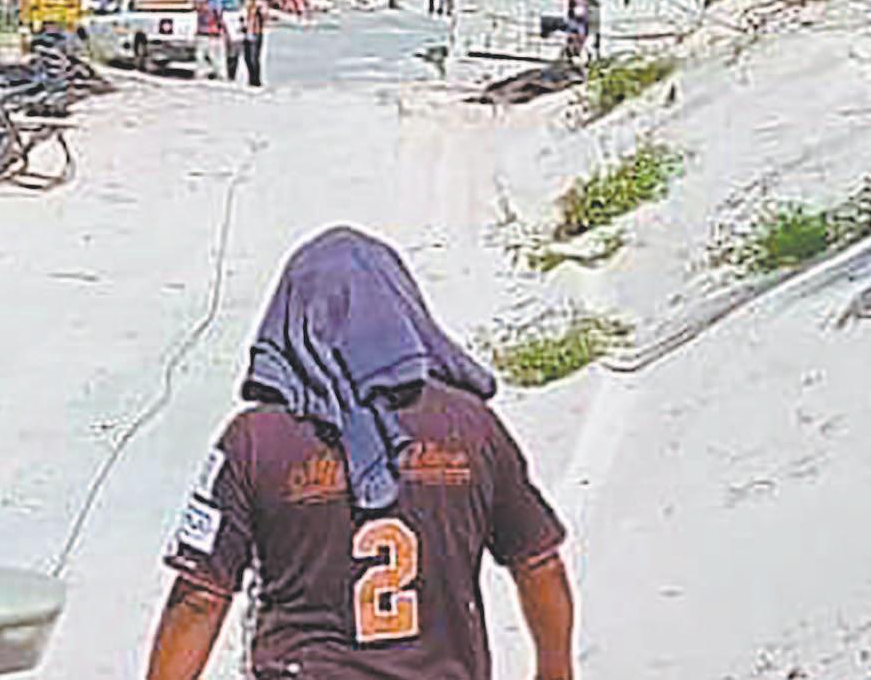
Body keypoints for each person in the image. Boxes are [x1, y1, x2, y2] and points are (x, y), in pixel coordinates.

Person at [146, 226, 574, 680]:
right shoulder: (472, 428)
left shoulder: (254, 440)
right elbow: (539, 563)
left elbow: (200, 598)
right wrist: (556, 671)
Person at [232, 0, 269, 88]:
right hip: (246, 33)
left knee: (254, 57)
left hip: (256, 32)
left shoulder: (260, 4)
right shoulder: (246, 3)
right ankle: (251, 78)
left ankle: (256, 80)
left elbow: (264, 16)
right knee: (247, 57)